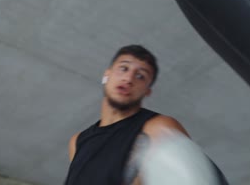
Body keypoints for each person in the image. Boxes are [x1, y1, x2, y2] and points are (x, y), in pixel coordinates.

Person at [64, 45, 227, 185]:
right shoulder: (78, 142)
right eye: (123, 68)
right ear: (107, 74)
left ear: (147, 90)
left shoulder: (158, 128)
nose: (128, 78)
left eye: (140, 76)